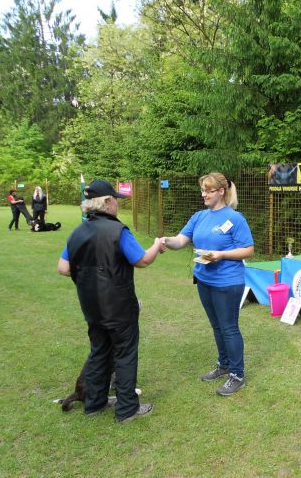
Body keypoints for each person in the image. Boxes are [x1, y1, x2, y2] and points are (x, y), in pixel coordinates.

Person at [57, 180, 166, 423]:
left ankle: (95, 403)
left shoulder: (78, 232)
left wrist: (87, 275)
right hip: (119, 307)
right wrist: (157, 245)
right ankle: (127, 409)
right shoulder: (118, 231)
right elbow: (142, 260)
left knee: (99, 351)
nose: (117, 203)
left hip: (92, 307)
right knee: (125, 353)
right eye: (115, 199)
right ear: (107, 202)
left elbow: (63, 268)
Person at [162, 172, 254, 396]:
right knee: (216, 326)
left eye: (208, 190)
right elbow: (181, 240)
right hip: (204, 279)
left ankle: (237, 375)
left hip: (227, 282)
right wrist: (165, 241)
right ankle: (223, 365)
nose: (203, 194)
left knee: (229, 327)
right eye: (202, 190)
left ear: (221, 192)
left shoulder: (235, 218)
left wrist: (221, 255)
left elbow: (248, 250)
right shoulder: (199, 216)